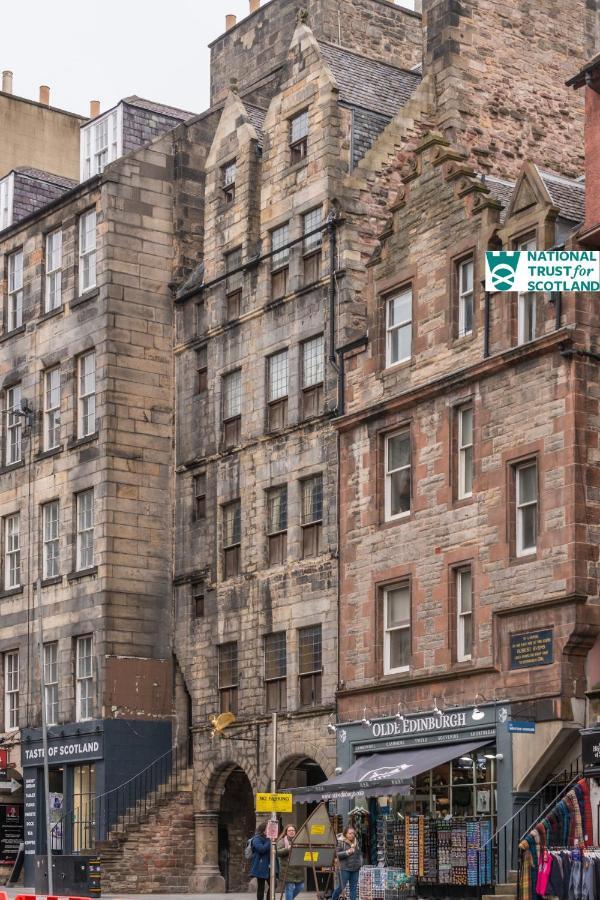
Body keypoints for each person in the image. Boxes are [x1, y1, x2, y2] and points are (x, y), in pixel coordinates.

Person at [331, 825, 362, 900]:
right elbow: (336, 854)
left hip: (355, 869)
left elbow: (359, 854)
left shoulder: (356, 842)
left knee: (353, 888)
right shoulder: (340, 842)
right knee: (341, 887)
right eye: (350, 833)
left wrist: (360, 863)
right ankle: (334, 898)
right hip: (344, 868)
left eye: (353, 833)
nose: (352, 835)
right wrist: (347, 852)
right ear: (345, 834)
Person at [277, 824, 305, 900]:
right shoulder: (282, 841)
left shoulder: (299, 840)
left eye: (293, 830)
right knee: (289, 888)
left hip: (298, 869)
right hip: (287, 869)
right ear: (286, 832)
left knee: (301, 886)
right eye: (289, 830)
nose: (291, 832)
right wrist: (288, 849)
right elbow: (278, 852)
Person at [250, 821, 272, 900]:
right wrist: (269, 840)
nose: (270, 830)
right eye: (268, 828)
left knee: (274, 884)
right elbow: (261, 849)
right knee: (261, 886)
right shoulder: (257, 838)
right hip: (261, 865)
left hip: (270, 866)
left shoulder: (270, 839)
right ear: (263, 829)